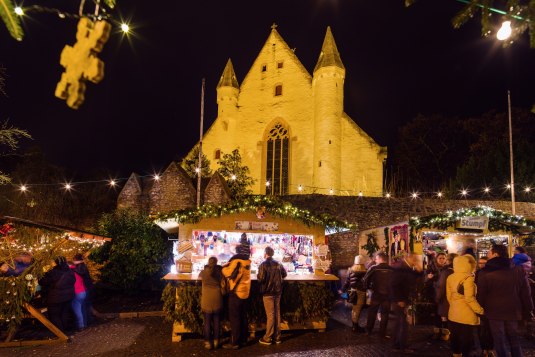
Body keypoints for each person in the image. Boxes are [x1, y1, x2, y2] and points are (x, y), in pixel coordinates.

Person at [477, 244, 533, 357]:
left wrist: (479, 310)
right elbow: (526, 292)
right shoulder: (518, 269)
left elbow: (481, 295)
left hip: (494, 311)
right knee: (514, 338)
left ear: (495, 254)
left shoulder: (485, 272)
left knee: (499, 339)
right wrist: (529, 309)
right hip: (513, 310)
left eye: (489, 252)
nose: (487, 254)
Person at [446, 254, 484, 357]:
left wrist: (455, 305)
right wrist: (480, 311)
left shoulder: (450, 277)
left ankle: (456, 354)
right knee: (467, 339)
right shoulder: (468, 278)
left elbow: (448, 296)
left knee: (455, 337)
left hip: (453, 313)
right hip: (467, 315)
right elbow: (470, 298)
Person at [221, 234, 252, 350]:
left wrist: (224, 267)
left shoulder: (236, 262)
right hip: (245, 293)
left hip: (236, 294)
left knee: (235, 318)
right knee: (243, 317)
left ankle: (235, 342)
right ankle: (244, 340)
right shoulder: (247, 262)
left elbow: (227, 273)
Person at [389, 252, 422, 353]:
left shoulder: (406, 267)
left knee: (399, 324)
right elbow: (393, 285)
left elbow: (411, 278)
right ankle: (402, 347)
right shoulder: (401, 267)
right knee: (402, 324)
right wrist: (399, 300)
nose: (416, 261)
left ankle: (397, 345)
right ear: (409, 258)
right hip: (400, 301)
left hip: (402, 300)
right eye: (415, 259)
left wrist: (419, 272)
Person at [257, 246, 287, 345]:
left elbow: (261, 279)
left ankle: (268, 337)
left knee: (270, 315)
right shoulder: (278, 264)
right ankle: (277, 337)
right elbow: (284, 274)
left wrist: (257, 275)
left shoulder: (263, 265)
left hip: (268, 293)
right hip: (278, 292)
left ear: (265, 253)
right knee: (277, 314)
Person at [38, 256, 76, 333]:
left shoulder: (53, 272)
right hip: (69, 296)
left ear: (56, 262)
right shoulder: (69, 271)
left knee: (54, 315)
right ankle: (64, 331)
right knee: (64, 313)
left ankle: (60, 333)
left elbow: (43, 281)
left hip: (56, 298)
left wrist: (39, 275)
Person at [362, 252, 392, 338]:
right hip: (387, 295)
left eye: (376, 259)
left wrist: (368, 288)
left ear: (380, 259)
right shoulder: (391, 269)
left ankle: (369, 330)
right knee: (385, 314)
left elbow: (365, 280)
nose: (375, 260)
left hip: (376, 294)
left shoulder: (374, 268)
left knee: (372, 312)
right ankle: (382, 333)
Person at [199, 256, 224, 350]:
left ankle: (207, 343)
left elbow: (198, 280)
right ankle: (216, 341)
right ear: (217, 262)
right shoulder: (220, 272)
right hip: (217, 299)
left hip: (206, 300)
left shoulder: (203, 272)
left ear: (208, 262)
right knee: (217, 321)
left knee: (207, 322)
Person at [435, 252, 458, 341]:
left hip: (446, 299)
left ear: (448, 260)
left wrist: (438, 298)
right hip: (457, 300)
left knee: (445, 318)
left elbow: (441, 287)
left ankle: (448, 336)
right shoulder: (460, 270)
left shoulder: (446, 271)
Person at [342, 255, 368, 333]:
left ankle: (354, 325)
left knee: (354, 309)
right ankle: (355, 327)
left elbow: (347, 282)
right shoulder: (365, 271)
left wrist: (343, 289)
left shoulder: (351, 270)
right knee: (357, 309)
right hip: (361, 292)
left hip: (353, 291)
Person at [425, 252, 447, 339]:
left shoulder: (447, 269)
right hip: (434, 294)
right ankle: (437, 331)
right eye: (440, 258)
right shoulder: (431, 268)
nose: (441, 260)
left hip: (444, 294)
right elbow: (426, 281)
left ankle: (445, 332)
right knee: (436, 314)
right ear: (436, 259)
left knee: (444, 314)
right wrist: (428, 278)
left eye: (443, 258)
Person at [72, 253, 95, 324]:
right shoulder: (82, 265)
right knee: (85, 306)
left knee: (83, 306)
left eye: (74, 260)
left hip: (84, 288)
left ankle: (84, 323)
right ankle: (87, 321)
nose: (73, 261)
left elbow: (80, 273)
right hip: (87, 288)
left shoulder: (80, 266)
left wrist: (72, 268)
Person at [69, 261, 87, 331]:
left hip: (77, 292)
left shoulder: (70, 271)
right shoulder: (78, 270)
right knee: (82, 308)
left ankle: (80, 326)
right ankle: (84, 324)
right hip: (83, 291)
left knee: (77, 310)